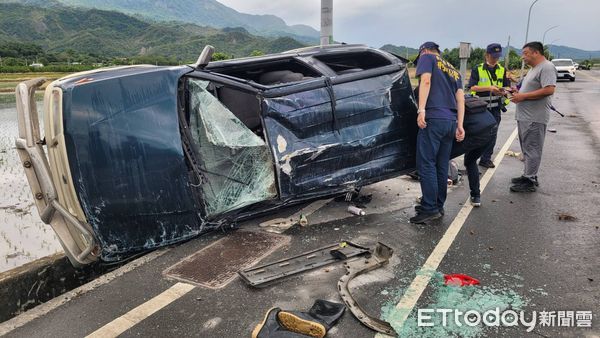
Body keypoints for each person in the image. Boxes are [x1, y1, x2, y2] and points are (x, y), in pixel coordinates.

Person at [411, 42, 465, 224]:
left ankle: (429, 208)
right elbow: (460, 99)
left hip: (433, 119)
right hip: (450, 122)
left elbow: (425, 80)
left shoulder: (427, 58)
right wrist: (460, 125)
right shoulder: (453, 69)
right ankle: (438, 205)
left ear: (424, 51)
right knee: (442, 165)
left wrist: (422, 110)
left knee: (426, 164)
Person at [509, 41, 557, 192]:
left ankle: (529, 181)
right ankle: (528, 175)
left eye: (525, 54)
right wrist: (516, 93)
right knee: (527, 148)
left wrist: (523, 97)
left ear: (536, 53)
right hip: (525, 116)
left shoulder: (547, 67)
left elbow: (549, 90)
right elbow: (527, 89)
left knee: (533, 148)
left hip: (534, 117)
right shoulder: (534, 69)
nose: (523, 57)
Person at [468, 43, 511, 169]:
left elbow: (507, 87)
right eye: (493, 56)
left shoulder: (502, 70)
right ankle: (471, 158)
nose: (495, 59)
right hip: (480, 108)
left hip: (496, 108)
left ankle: (486, 159)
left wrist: (504, 91)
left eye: (497, 56)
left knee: (492, 134)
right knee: (477, 134)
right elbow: (472, 87)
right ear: (487, 55)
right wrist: (489, 88)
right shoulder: (478, 69)